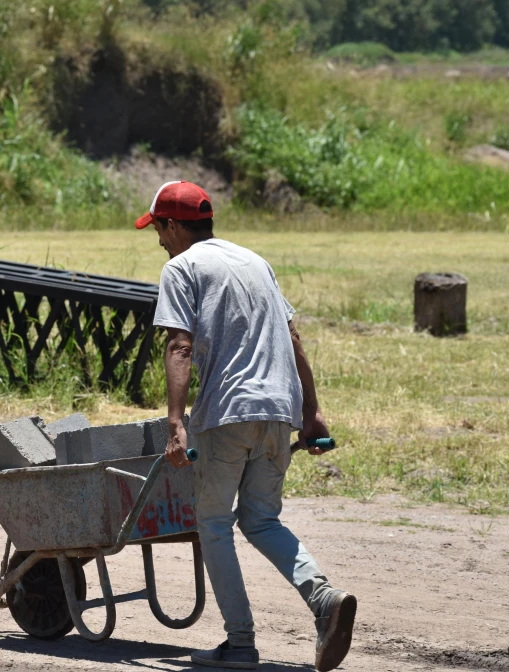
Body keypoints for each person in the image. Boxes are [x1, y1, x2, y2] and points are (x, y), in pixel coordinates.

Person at [136, 180, 357, 672]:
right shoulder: (256, 261)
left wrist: (176, 422)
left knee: (213, 523)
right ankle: (324, 599)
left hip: (228, 411)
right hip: (278, 408)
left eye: (158, 229)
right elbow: (291, 335)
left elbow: (179, 345)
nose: (158, 240)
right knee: (260, 520)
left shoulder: (181, 267)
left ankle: (240, 644)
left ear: (174, 225)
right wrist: (311, 410)